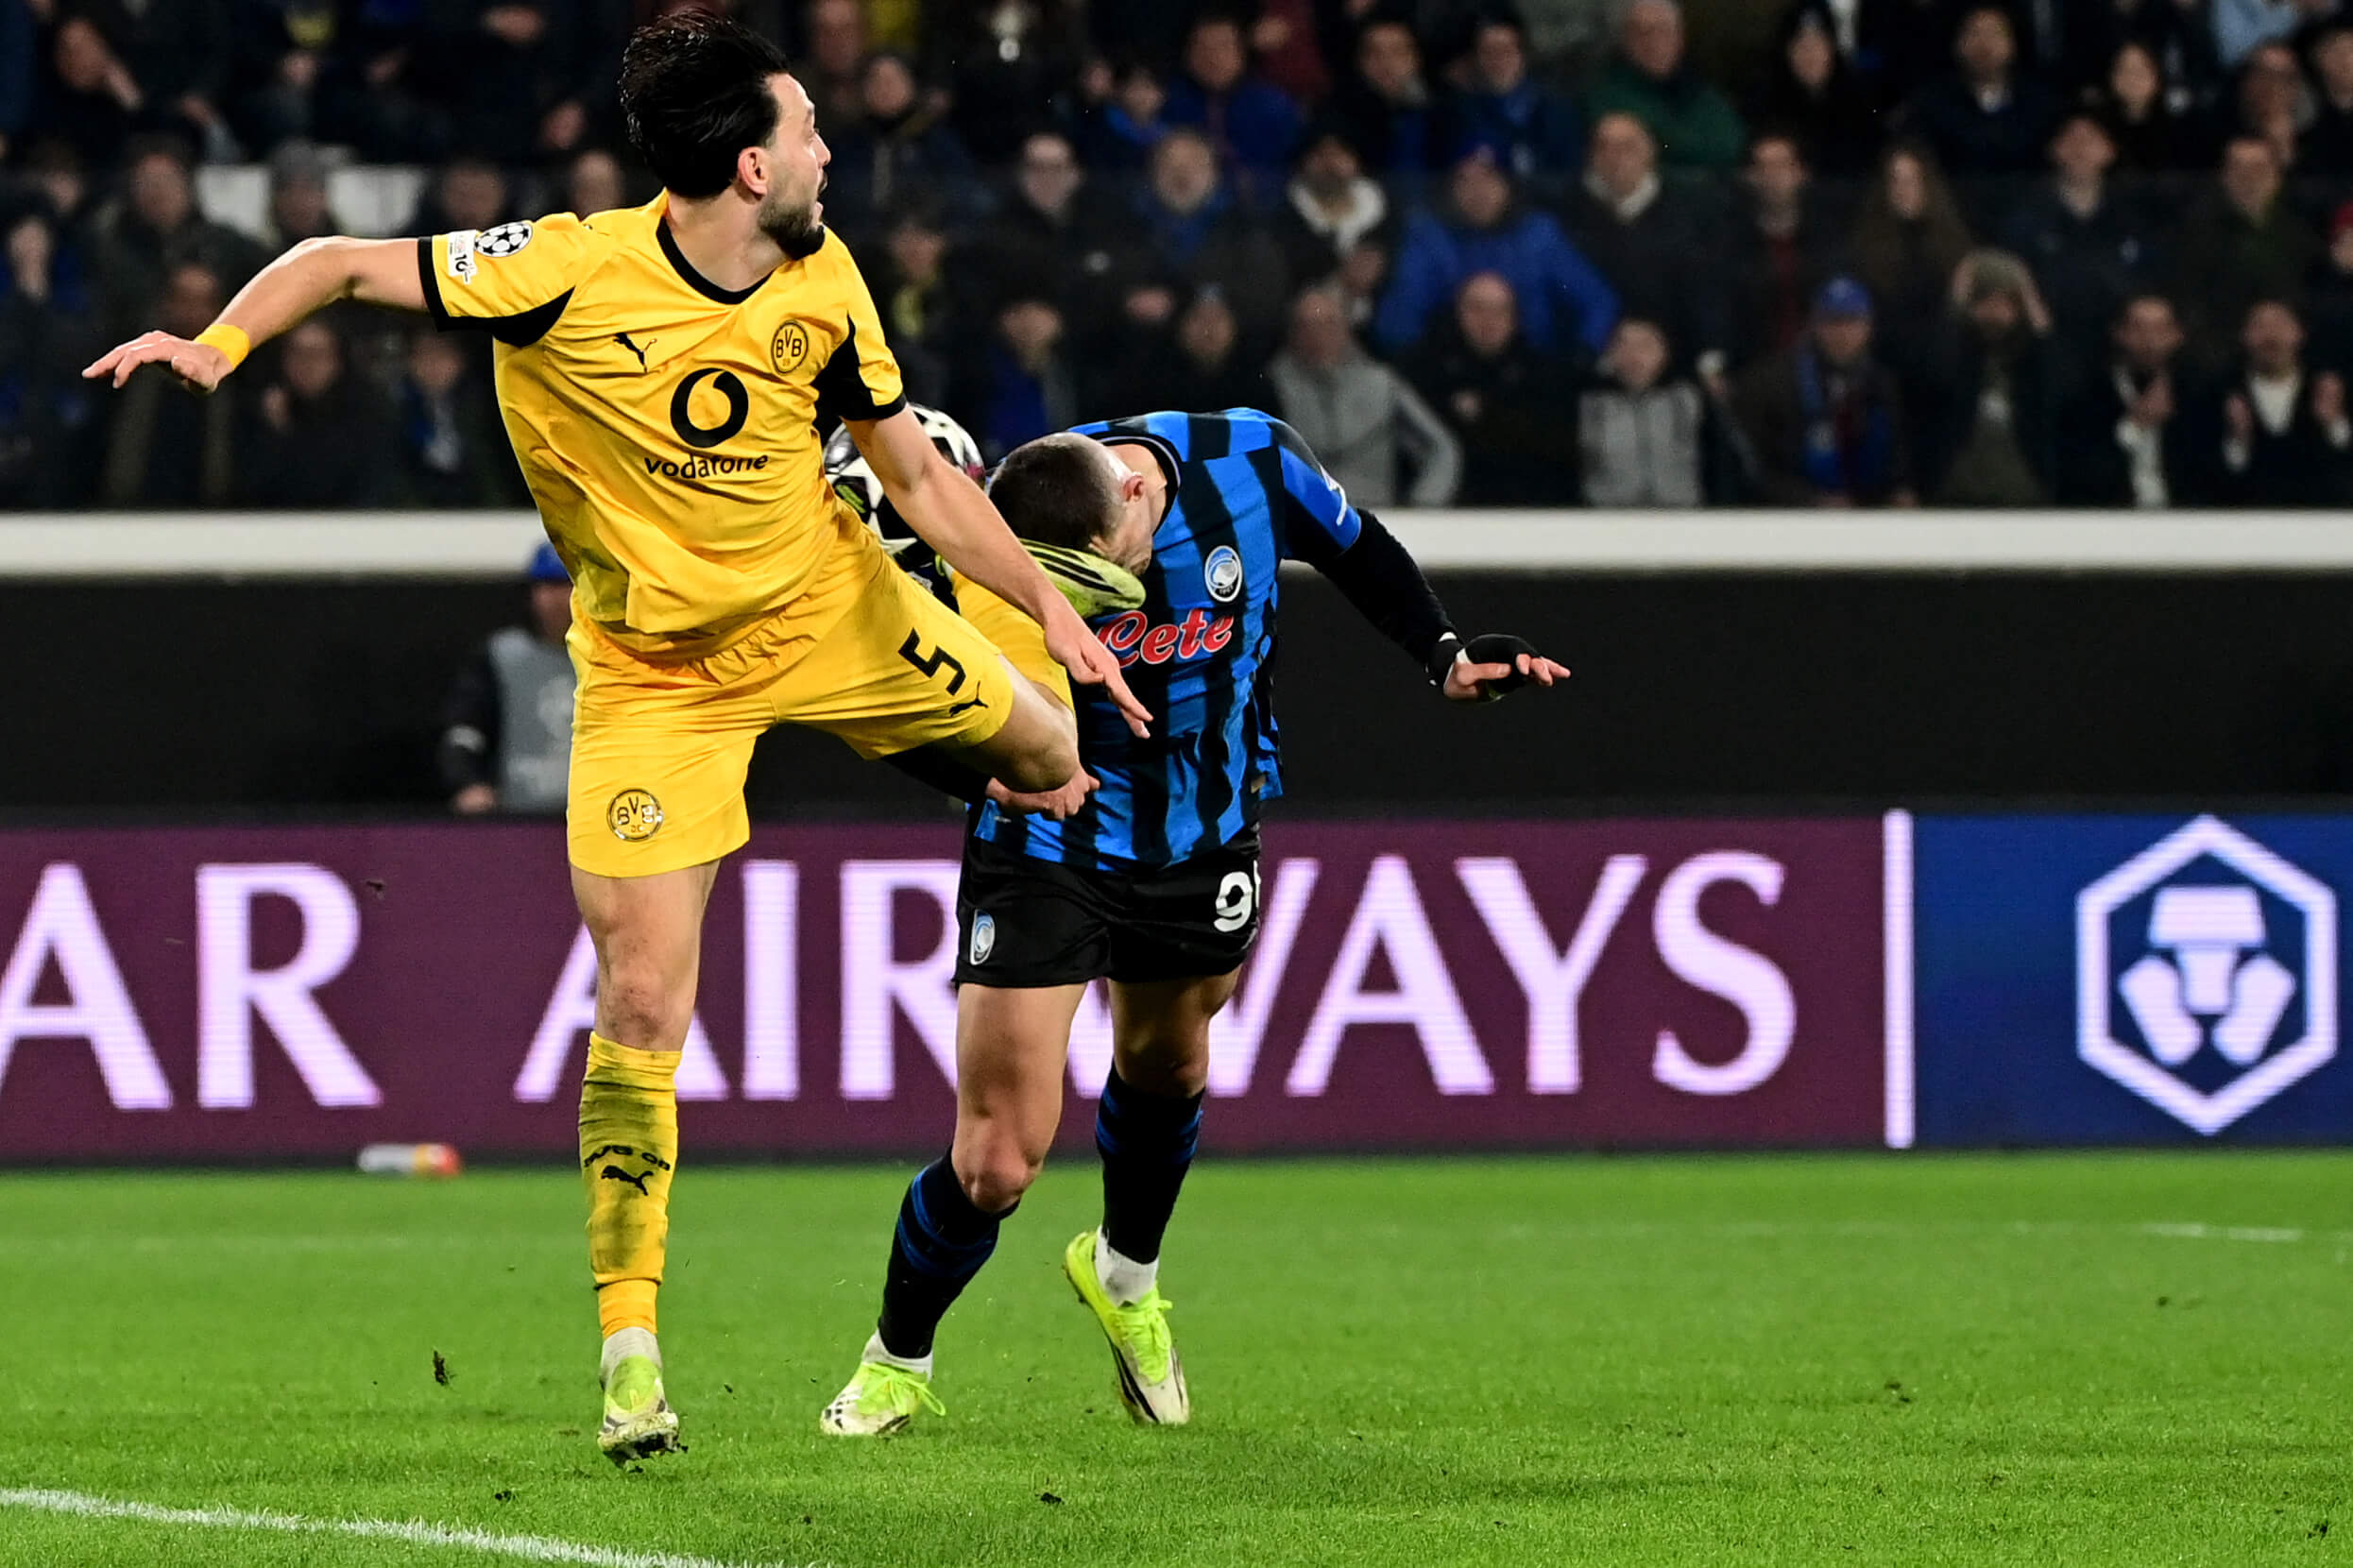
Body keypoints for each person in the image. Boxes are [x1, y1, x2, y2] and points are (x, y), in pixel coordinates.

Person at [83, 9, 1142, 1466]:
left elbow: (914, 469)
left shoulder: (823, 277)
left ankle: (1023, 864)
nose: (831, 149)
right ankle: (631, 1352)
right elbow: (333, 261)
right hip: (659, 684)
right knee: (642, 1000)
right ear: (754, 163)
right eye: (812, 131)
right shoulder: (561, 269)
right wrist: (216, 347)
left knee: (1048, 755)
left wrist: (1047, 605)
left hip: (837, 604)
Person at [817, 407, 1567, 1435]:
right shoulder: (1006, 521)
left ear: (1133, 497)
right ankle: (896, 1359)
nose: (1084, 599)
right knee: (997, 1157)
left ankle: (1125, 1277)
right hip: (1050, 835)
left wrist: (1438, 651)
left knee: (1168, 1067)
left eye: (1100, 571)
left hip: (1204, 835)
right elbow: (883, 695)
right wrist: (981, 770)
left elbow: (1358, 549)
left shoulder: (1249, 459)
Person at [1373, 150, 1619, 361]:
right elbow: (1401, 315)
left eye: (1488, 179)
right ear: (1450, 189)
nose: (1478, 192)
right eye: (1465, 181)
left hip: (1531, 371)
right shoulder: (1428, 235)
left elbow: (1597, 300)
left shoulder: (1538, 233)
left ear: (1508, 185)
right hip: (1450, 370)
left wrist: (1582, 355)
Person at [1270, 282, 1462, 505]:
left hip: (1374, 516)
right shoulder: (1271, 387)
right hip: (1299, 521)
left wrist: (1423, 505)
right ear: (1292, 333)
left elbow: (1441, 449)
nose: (1318, 336)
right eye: (1306, 326)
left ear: (1347, 329)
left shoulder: (1382, 385)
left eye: (1329, 324)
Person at [1733, 275, 1918, 506]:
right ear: (1815, 325)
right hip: (1795, 516)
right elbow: (1757, 468)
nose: (1843, 333)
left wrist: (1896, 493)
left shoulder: (1881, 384)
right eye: (1833, 321)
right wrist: (1810, 500)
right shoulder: (1776, 384)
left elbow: (1896, 458)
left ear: (1869, 326)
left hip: (1867, 512)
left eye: (1852, 322)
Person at [1406, 271, 1582, 504]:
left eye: (1500, 310)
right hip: (1446, 512)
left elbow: (1555, 450)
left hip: (1530, 513)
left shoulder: (1546, 376)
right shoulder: (1423, 370)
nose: (1489, 319)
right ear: (1458, 311)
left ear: (1515, 317)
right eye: (1477, 308)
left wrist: (1487, 414)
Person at [441, 543, 579, 815]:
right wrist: (468, 783)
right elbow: (464, 731)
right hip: (518, 817)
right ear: (531, 594)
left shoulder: (616, 657)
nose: (558, 598)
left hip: (597, 814)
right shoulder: (502, 656)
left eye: (568, 584)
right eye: (548, 586)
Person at [2055, 292, 2213, 505]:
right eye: (2138, 328)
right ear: (2119, 333)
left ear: (2177, 335)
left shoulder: (2197, 393)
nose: (2149, 340)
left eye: (2160, 329)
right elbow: (2080, 474)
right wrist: (2134, 426)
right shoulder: (2089, 395)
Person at [2214, 296, 2353, 503]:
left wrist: (2334, 422)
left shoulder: (2329, 386)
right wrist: (2239, 439)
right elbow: (2210, 475)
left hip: (2323, 514)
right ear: (2243, 336)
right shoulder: (2222, 391)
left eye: (2280, 324)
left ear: (2300, 333)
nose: (2270, 336)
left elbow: (2343, 463)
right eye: (2259, 326)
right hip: (2248, 514)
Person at [1584, 0, 1748, 170]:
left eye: (1663, 30)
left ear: (1679, 37)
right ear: (1625, 41)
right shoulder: (1606, 95)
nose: (1653, 41)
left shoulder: (1702, 91)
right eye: (1641, 32)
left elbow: (1730, 146)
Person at [1579, 316, 1714, 506]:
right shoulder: (1587, 404)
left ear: (1665, 350)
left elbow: (1720, 468)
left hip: (1682, 520)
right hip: (1606, 522)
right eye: (1622, 345)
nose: (1633, 356)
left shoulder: (1690, 399)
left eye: (1645, 345)